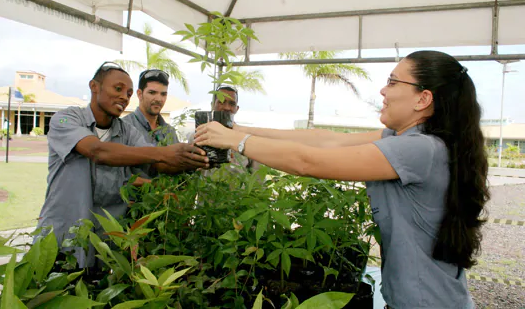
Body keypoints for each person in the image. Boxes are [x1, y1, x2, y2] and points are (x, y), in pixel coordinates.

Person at [195, 51, 489, 308]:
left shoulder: (419, 149)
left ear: (423, 99)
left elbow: (307, 161)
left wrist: (236, 140)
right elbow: (325, 140)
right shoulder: (411, 139)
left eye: (393, 81)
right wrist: (239, 128)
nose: (383, 90)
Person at [36, 61, 208, 267]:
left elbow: (159, 164)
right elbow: (97, 151)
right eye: (117, 89)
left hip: (104, 245)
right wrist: (164, 152)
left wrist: (197, 159)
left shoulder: (127, 132)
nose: (123, 97)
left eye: (127, 93)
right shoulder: (65, 119)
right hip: (61, 239)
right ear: (94, 86)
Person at [190, 85, 261, 174]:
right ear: (212, 105)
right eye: (221, 102)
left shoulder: (247, 139)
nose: (227, 107)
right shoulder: (197, 136)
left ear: (237, 108)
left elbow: (258, 179)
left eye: (232, 104)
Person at [123, 69, 179, 147]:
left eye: (163, 94)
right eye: (152, 93)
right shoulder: (124, 127)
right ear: (139, 94)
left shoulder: (170, 131)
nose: (158, 99)